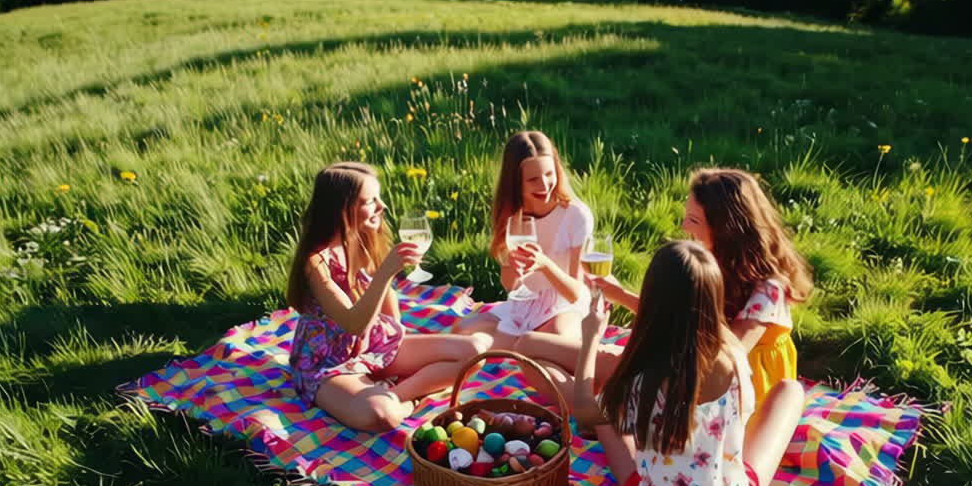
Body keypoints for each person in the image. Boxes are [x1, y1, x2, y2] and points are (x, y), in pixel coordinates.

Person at [571, 241, 804, 486]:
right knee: (791, 391)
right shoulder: (734, 351)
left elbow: (583, 410)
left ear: (653, 300)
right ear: (714, 297)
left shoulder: (640, 378)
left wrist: (590, 338)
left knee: (605, 419)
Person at [286, 162, 490, 432]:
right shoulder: (316, 263)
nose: (382, 206)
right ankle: (402, 400)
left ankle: (395, 393)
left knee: (475, 352)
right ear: (343, 209)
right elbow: (352, 323)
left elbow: (384, 297)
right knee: (382, 416)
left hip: (370, 344)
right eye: (371, 201)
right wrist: (386, 272)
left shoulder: (358, 239)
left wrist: (395, 339)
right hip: (330, 362)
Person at [591, 168, 813, 406]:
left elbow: (733, 354)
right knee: (602, 360)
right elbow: (675, 317)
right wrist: (621, 295)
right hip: (702, 369)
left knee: (613, 368)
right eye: (687, 216)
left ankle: (592, 406)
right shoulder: (713, 259)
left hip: (742, 392)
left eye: (694, 220)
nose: (685, 226)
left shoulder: (769, 289)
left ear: (726, 228)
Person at [454, 131, 593, 345]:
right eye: (533, 179)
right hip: (525, 305)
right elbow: (511, 285)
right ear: (515, 182)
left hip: (565, 306)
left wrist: (545, 265)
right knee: (461, 331)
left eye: (549, 174)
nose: (544, 185)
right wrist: (512, 264)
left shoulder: (575, 215)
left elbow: (577, 293)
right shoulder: (512, 216)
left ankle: (517, 346)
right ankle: (515, 347)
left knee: (553, 339)